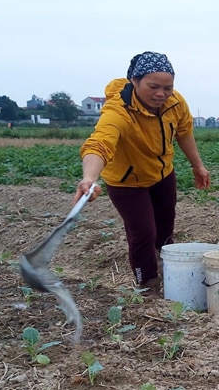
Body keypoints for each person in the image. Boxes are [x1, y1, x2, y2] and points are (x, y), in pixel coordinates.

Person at [74, 51, 210, 292]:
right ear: (134, 82)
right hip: (127, 183)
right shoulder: (118, 111)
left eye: (168, 87)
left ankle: (169, 272)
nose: (161, 93)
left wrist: (197, 165)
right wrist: (89, 178)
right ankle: (147, 283)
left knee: (165, 228)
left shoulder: (175, 103)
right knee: (143, 232)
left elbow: (184, 132)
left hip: (162, 174)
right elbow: (99, 143)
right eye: (154, 86)